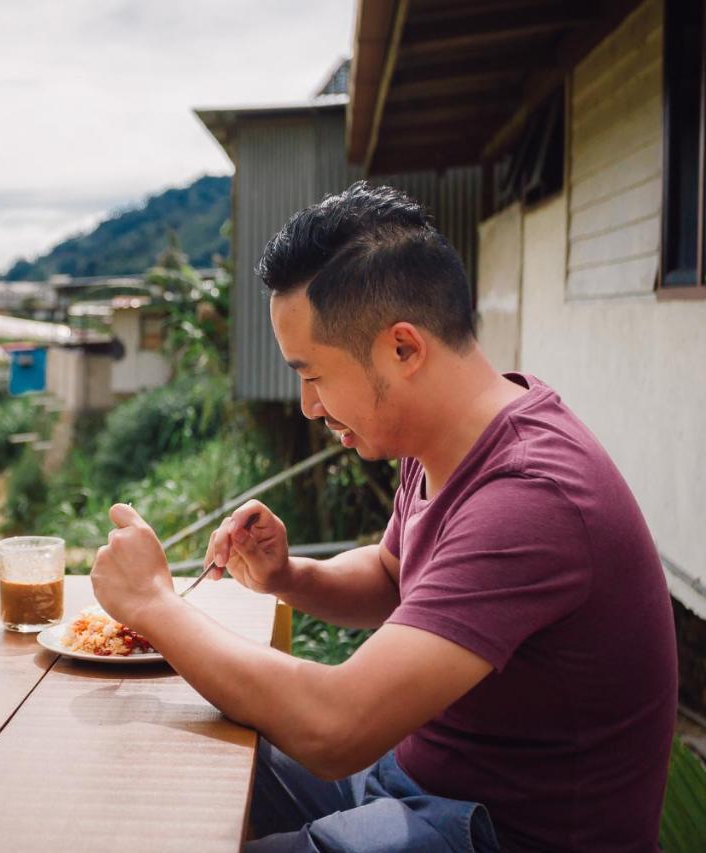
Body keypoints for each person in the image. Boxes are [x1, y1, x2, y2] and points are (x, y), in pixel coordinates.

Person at [89, 182, 677, 852]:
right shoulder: (441, 435)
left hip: (498, 830)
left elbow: (336, 728)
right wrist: (290, 576)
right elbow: (395, 576)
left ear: (403, 349)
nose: (309, 405)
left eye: (312, 374)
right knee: (200, 765)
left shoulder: (532, 495)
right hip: (412, 778)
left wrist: (153, 603)